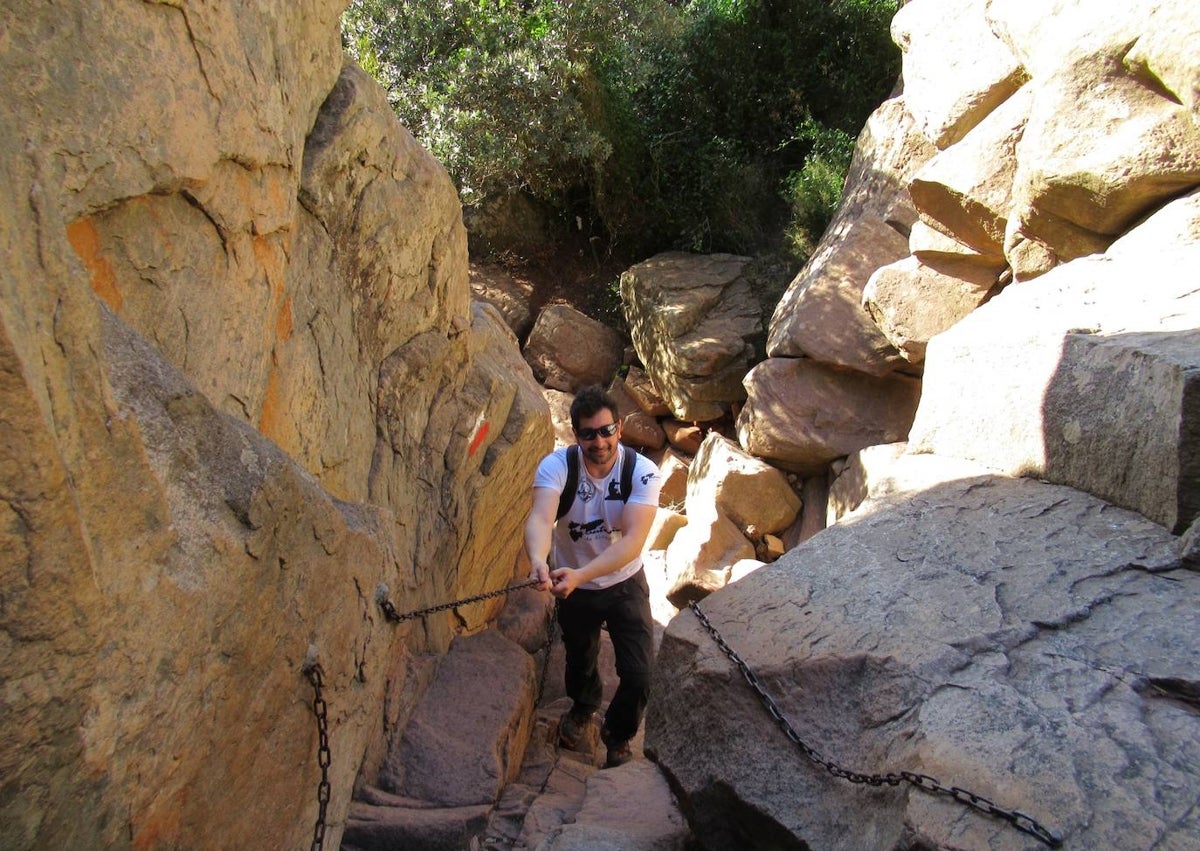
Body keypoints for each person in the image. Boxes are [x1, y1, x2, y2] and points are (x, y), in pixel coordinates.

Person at [524, 384, 661, 768]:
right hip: (575, 583)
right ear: (575, 435)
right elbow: (540, 516)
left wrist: (583, 574)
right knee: (580, 658)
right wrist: (538, 559)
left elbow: (633, 541)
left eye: (606, 431)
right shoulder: (557, 466)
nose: (599, 441)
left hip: (622, 582)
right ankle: (583, 709)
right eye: (588, 433)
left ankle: (617, 734)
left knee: (639, 672)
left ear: (619, 427)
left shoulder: (642, 472)